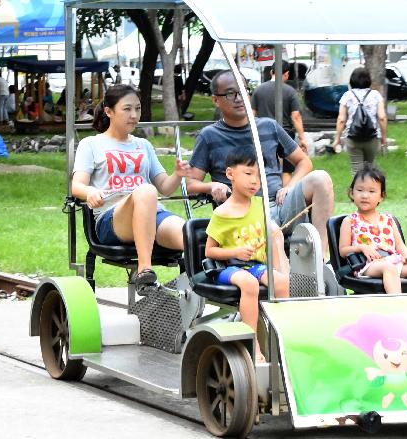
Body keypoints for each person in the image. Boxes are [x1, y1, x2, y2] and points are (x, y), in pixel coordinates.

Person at [186, 70, 335, 260]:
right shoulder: (209, 136)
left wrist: (289, 187)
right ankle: (282, 279)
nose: (240, 98)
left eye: (244, 91)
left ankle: (322, 258)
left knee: (321, 178)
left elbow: (304, 162)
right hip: (245, 213)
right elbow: (190, 185)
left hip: (281, 203)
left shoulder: (268, 126)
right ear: (216, 100)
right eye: (231, 93)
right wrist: (212, 185)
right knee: (270, 227)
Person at [71, 84, 191, 293]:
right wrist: (90, 192)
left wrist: (177, 175)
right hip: (112, 220)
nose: (134, 115)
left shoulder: (143, 145)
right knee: (146, 191)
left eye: (137, 108)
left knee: (192, 235)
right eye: (127, 109)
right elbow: (77, 186)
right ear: (109, 112)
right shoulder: (91, 144)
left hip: (152, 215)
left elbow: (165, 187)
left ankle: (201, 290)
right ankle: (145, 272)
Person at [205, 146, 290, 362]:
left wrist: (275, 268)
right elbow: (210, 251)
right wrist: (235, 251)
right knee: (249, 284)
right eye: (248, 173)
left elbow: (270, 238)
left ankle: (284, 339)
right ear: (230, 174)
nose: (255, 181)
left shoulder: (260, 205)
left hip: (256, 266)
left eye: (259, 176)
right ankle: (252, 343)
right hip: (229, 268)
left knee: (281, 282)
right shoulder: (221, 213)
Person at [338, 165, 407, 293]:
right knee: (389, 268)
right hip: (368, 265)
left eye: (371, 191)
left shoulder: (388, 220)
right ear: (352, 193)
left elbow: (399, 245)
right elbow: (343, 250)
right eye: (360, 190)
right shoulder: (350, 221)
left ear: (381, 196)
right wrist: (362, 247)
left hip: (393, 260)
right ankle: (397, 307)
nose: (365, 195)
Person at [252, 61, 309, 183]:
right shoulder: (290, 91)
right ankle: (284, 198)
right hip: (285, 135)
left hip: (263, 135)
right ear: (287, 74)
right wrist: (302, 138)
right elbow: (296, 116)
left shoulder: (258, 90)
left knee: (264, 168)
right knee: (286, 171)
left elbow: (252, 115)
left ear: (271, 72)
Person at [332, 67, 388, 174]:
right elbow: (382, 117)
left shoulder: (347, 95)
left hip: (353, 139)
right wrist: (384, 138)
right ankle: (372, 189)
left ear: (352, 80)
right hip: (372, 138)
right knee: (370, 169)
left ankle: (357, 189)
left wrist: (337, 138)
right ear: (368, 80)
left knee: (356, 171)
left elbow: (341, 120)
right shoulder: (376, 95)